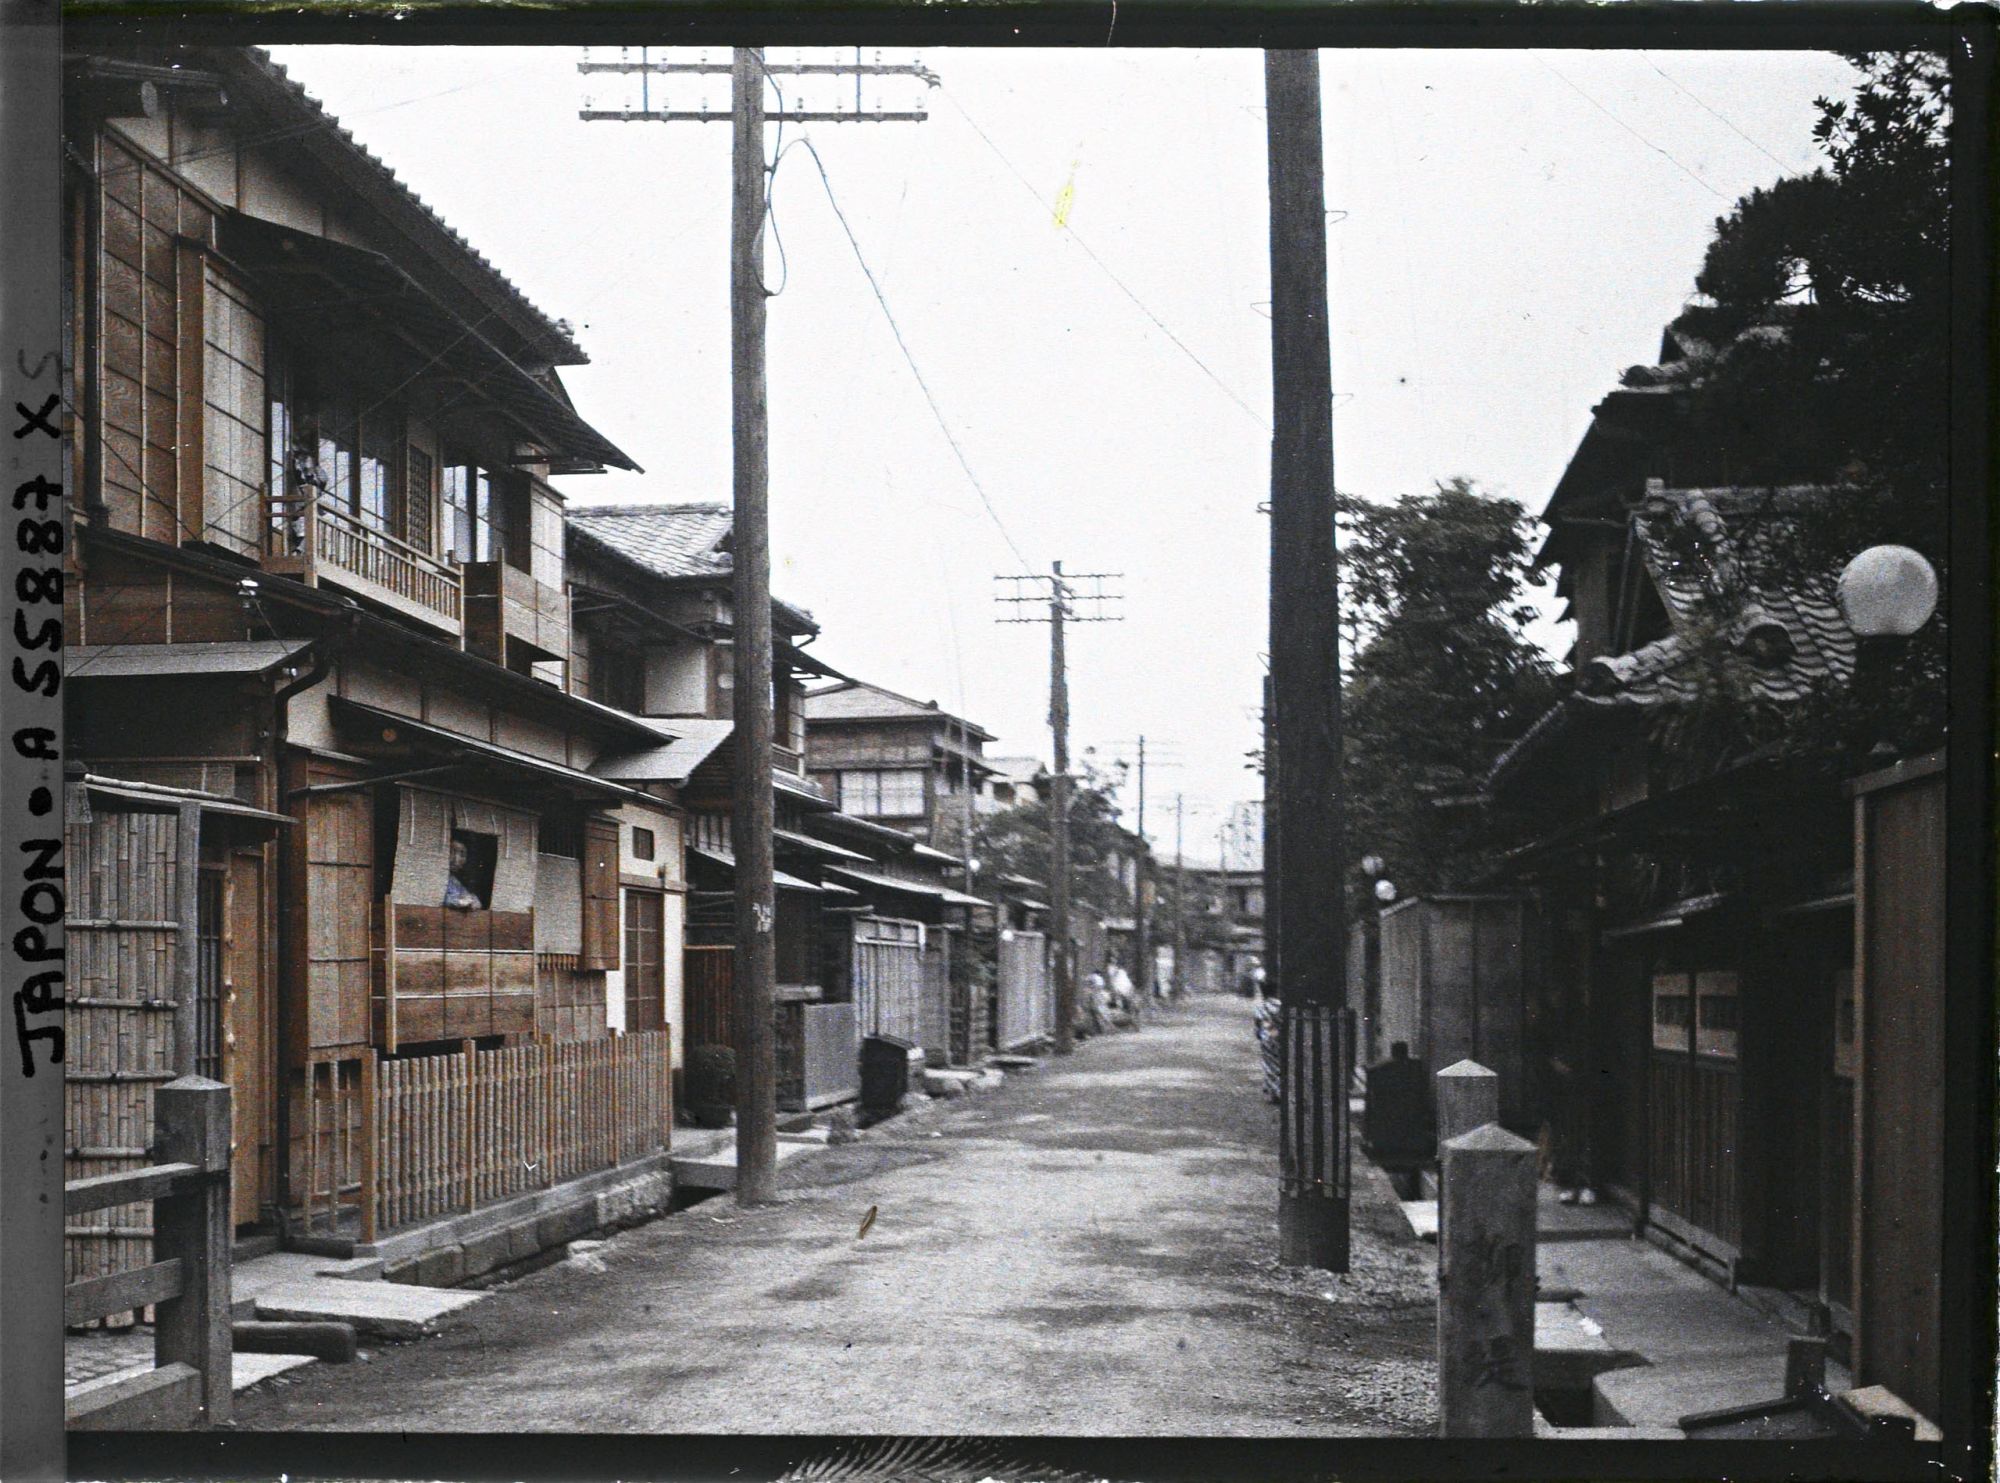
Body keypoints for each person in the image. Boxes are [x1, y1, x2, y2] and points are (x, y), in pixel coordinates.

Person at [444, 837, 484, 911]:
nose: (456, 859)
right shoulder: (437, 876)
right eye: (451, 852)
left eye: (462, 854)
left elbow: (465, 895)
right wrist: (458, 902)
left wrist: (474, 900)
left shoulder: (454, 881)